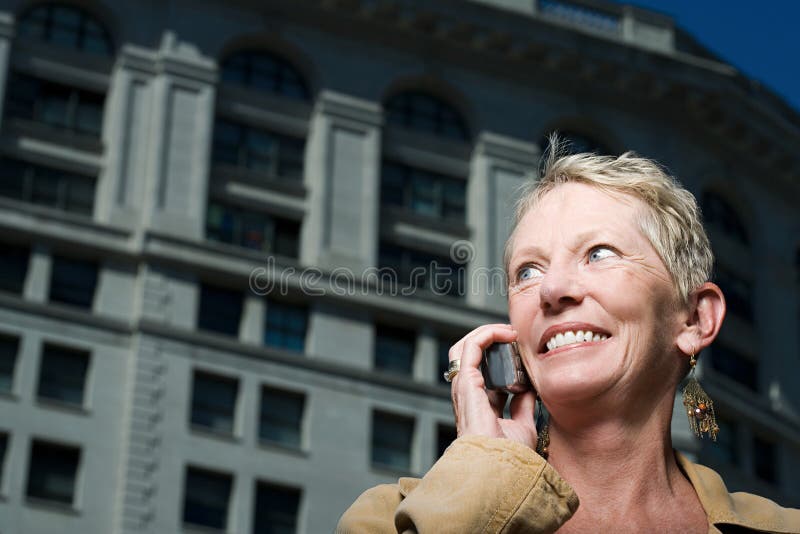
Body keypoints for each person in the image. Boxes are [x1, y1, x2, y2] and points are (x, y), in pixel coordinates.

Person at [336, 145, 800, 533]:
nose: (552, 291)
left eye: (599, 253)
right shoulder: (385, 519)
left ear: (695, 319)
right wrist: (487, 477)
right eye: (528, 271)